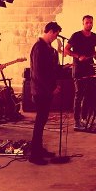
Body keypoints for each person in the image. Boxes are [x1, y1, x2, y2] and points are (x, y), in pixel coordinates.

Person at [29, 21, 64, 165]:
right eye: (56, 34)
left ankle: (39, 149)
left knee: (42, 121)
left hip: (45, 90)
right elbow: (39, 73)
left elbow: (50, 69)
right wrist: (51, 88)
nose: (56, 37)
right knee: (39, 122)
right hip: (40, 91)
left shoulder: (48, 48)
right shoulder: (39, 48)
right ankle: (34, 155)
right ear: (50, 31)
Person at [64, 15, 96, 130]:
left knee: (88, 94)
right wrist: (78, 56)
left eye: (91, 23)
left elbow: (93, 49)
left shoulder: (94, 36)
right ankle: (76, 121)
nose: (89, 24)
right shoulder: (76, 35)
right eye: (87, 23)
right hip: (79, 68)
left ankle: (84, 118)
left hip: (89, 67)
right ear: (83, 23)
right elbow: (66, 50)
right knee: (79, 94)